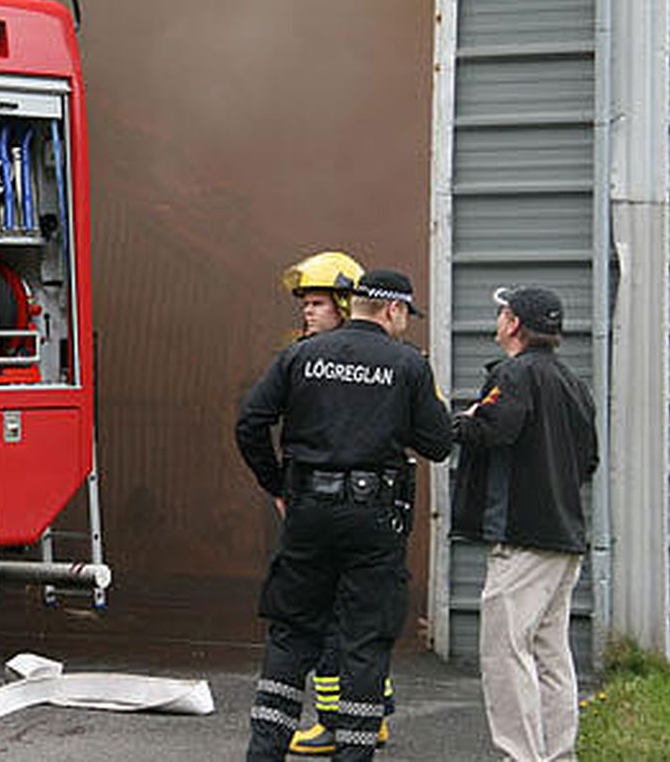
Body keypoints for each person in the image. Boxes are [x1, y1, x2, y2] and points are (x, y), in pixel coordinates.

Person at [237, 270, 453, 761]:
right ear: (395, 310)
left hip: (308, 511)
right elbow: (438, 444)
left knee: (291, 632)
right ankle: (352, 754)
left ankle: (264, 753)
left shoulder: (300, 354)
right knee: (365, 638)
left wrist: (276, 485)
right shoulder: (408, 365)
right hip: (374, 518)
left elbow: (251, 422)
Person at [451, 286, 598, 762]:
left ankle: (520, 756)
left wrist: (461, 421)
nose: (497, 320)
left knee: (504, 653)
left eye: (502, 313)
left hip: (521, 539)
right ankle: (558, 755)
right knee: (551, 654)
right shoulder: (575, 384)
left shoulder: (513, 374)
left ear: (514, 324)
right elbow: (589, 460)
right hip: (565, 537)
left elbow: (496, 427)